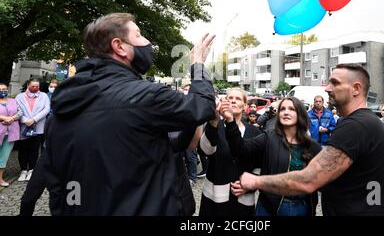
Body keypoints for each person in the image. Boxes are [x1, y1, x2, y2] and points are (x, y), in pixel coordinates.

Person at [42, 13, 216, 215]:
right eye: (139, 35)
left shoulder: (62, 108)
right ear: (119, 46)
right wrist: (198, 65)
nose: (147, 42)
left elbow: (56, 181)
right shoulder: (146, 96)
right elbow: (202, 105)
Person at [239, 63, 384, 216]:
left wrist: (255, 182)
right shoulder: (367, 123)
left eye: (335, 83)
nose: (327, 88)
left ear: (356, 88)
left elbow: (309, 180)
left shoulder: (355, 126)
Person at [226, 97, 321, 216]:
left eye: (291, 109)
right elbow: (241, 148)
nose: (286, 112)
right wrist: (230, 121)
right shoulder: (269, 137)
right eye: (282, 109)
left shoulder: (313, 147)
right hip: (268, 206)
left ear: (300, 114)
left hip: (300, 207)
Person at [198, 88, 261, 216]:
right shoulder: (215, 125)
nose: (233, 101)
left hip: (243, 199)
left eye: (238, 99)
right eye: (230, 98)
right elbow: (205, 151)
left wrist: (250, 185)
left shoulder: (255, 133)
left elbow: (258, 165)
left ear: (245, 106)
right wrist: (213, 121)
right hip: (215, 197)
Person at [15, 79, 50, 182]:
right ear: (28, 85)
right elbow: (17, 110)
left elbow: (46, 109)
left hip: (38, 126)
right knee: (23, 150)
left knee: (34, 149)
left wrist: (34, 119)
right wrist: (26, 120)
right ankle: (23, 170)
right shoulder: (19, 97)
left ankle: (31, 169)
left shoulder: (43, 96)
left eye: (37, 86)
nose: (35, 88)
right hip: (24, 126)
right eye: (33, 86)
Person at [0, 82, 22, 187]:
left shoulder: (13, 101)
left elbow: (20, 112)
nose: (3, 91)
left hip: (11, 134)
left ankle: (0, 179)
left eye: (4, 89)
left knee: (4, 157)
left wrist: (11, 118)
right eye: (0, 89)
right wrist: (3, 118)